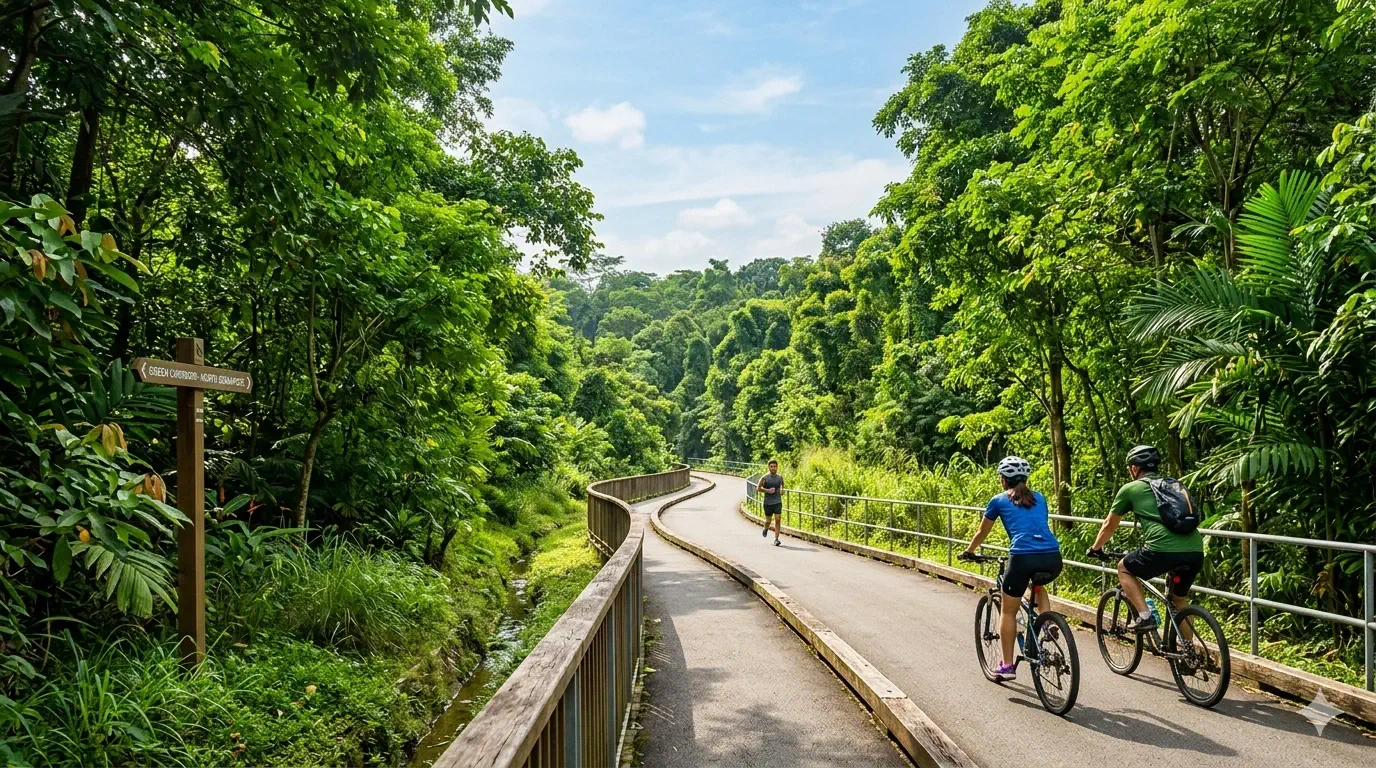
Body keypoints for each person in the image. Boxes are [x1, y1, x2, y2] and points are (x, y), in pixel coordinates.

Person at [960, 456, 1062, 682]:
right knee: (1037, 584)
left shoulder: (998, 500)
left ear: (1003, 479)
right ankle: (1047, 625)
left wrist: (969, 551)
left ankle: (1007, 666)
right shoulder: (1041, 498)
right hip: (1053, 557)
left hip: (1022, 558)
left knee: (1008, 611)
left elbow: (982, 532)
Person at [1088, 445, 1205, 633]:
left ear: (1134, 468)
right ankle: (1189, 653)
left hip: (1161, 550)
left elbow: (1109, 525)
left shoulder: (1131, 489)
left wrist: (1096, 548)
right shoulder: (1172, 484)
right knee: (1179, 600)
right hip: (1195, 550)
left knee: (1124, 568)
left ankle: (1144, 616)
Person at [757, 460, 783, 546]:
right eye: (771, 466)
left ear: (777, 467)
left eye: (774, 466)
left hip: (777, 502)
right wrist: (767, 490)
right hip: (768, 503)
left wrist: (782, 491)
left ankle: (776, 539)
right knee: (768, 521)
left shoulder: (780, 478)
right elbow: (758, 488)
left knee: (778, 520)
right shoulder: (765, 478)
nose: (773, 468)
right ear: (769, 467)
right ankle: (766, 528)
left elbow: (782, 487)